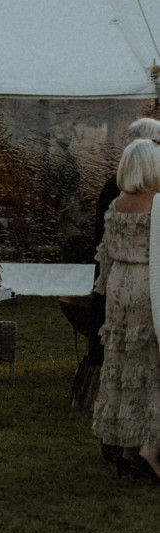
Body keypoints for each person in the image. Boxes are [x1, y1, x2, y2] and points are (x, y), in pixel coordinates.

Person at [91, 136, 160, 481]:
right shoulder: (158, 205)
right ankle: (150, 452)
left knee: (124, 363)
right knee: (151, 366)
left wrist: (104, 289)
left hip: (119, 286)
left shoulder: (117, 205)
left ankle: (128, 448)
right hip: (148, 286)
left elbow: (104, 252)